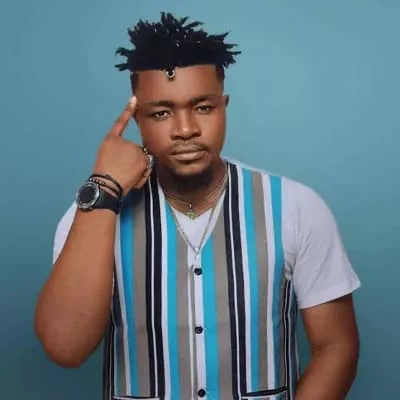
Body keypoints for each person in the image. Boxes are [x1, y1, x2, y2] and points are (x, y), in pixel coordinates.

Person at [34, 12, 361, 400]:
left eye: (203, 107)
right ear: (137, 120)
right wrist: (104, 189)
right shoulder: (93, 215)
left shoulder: (296, 207)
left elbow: (336, 347)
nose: (185, 129)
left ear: (224, 106)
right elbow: (65, 348)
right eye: (161, 113)